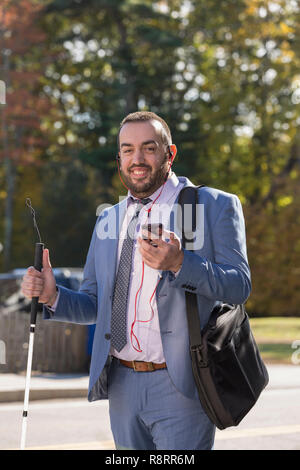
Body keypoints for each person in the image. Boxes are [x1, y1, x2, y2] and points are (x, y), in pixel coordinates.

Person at [21, 111, 251, 450]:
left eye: (148, 148)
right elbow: (96, 306)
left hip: (182, 383)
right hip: (122, 384)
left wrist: (180, 263)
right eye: (127, 150)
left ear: (169, 154)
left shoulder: (211, 206)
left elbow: (239, 285)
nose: (137, 159)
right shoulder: (109, 219)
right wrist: (54, 297)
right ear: (119, 158)